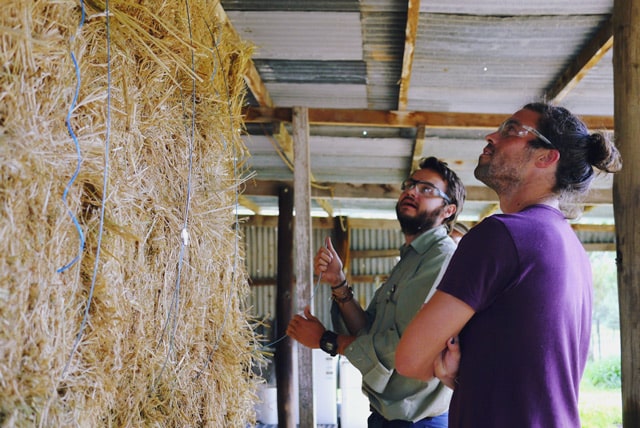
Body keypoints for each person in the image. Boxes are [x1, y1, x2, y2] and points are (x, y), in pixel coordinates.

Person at [395, 102, 622, 428]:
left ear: (546, 157)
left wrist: (454, 373)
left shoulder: (501, 235)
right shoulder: (571, 247)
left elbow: (410, 359)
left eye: (511, 130)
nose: (491, 136)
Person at [287, 157, 466, 428]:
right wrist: (338, 282)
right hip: (387, 416)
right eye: (410, 184)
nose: (411, 191)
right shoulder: (410, 258)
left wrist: (327, 340)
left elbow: (404, 347)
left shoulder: (441, 258)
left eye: (427, 189)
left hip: (418, 421)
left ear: (448, 210)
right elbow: (367, 330)